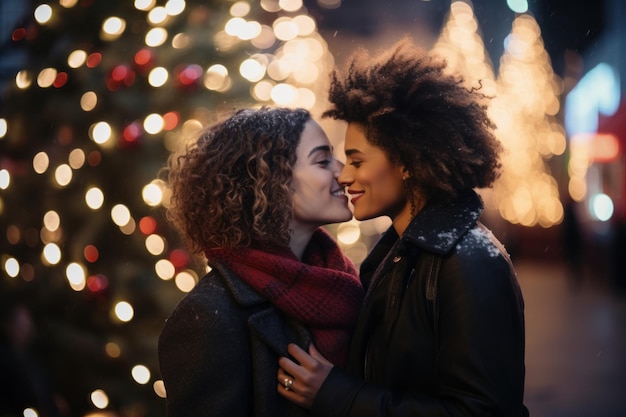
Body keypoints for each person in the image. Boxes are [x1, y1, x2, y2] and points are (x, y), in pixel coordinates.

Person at [277, 38, 529, 416]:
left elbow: (483, 412)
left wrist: (339, 396)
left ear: (408, 162)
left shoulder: (470, 263)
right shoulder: (401, 255)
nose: (344, 176)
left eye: (357, 161)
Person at [157, 106, 364, 417]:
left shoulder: (347, 283)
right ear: (270, 181)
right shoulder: (209, 315)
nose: (344, 173)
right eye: (323, 160)